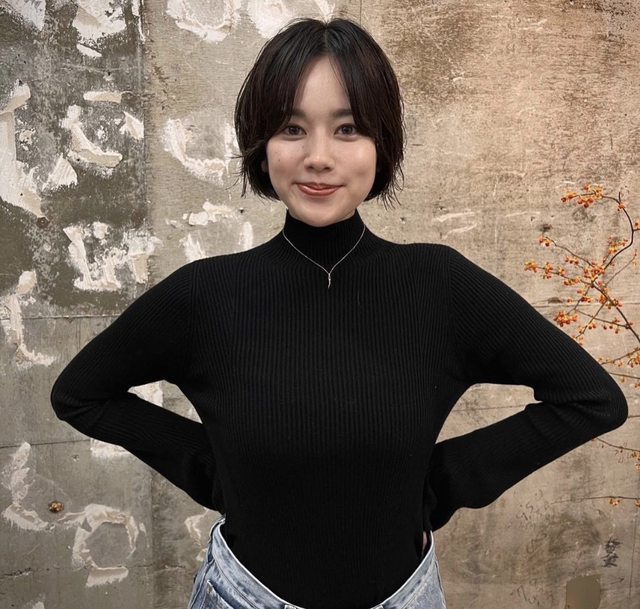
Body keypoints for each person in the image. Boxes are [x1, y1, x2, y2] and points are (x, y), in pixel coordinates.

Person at [50, 16, 628, 609]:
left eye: (347, 129)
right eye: (291, 129)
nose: (319, 157)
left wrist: (439, 483)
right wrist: (216, 473)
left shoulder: (438, 286)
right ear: (262, 146)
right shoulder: (205, 295)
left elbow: (591, 400)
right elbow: (80, 394)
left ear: (382, 143)